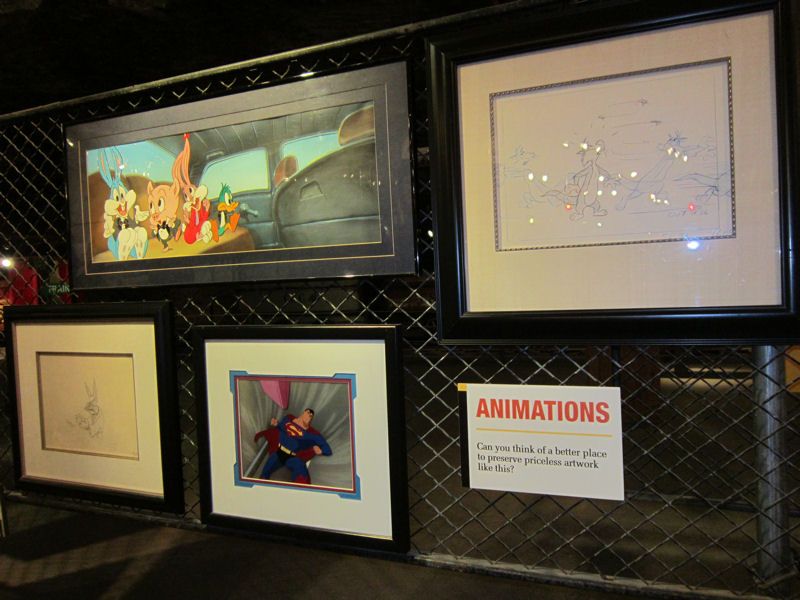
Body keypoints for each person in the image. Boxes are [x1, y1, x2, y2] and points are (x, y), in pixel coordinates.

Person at [254, 408, 332, 484]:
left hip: (293, 457)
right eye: (308, 413)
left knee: (301, 472)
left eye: (311, 416)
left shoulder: (312, 433)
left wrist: (320, 451)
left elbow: (327, 449)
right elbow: (281, 427)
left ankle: (301, 489)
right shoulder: (289, 418)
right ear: (303, 413)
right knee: (265, 473)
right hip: (279, 452)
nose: (309, 416)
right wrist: (276, 424)